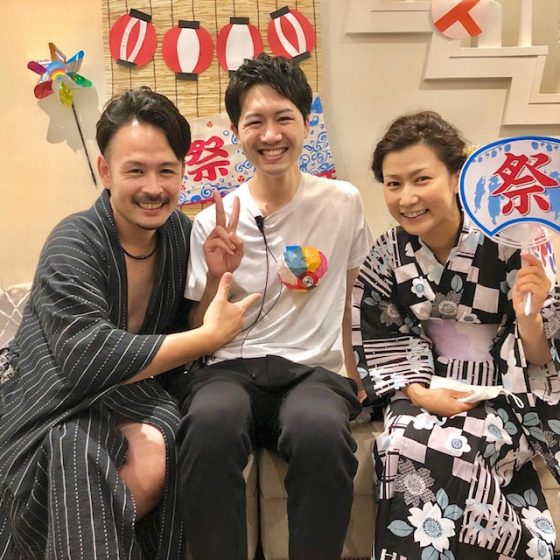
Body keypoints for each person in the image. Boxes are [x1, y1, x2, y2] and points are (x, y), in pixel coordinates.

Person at [0, 87, 259, 560]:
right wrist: (207, 337)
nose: (153, 188)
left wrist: (213, 280)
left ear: (183, 171)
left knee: (177, 434)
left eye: (167, 170)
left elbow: (188, 326)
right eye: (135, 170)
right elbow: (86, 357)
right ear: (105, 171)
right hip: (56, 401)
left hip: (136, 396)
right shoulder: (73, 241)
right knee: (73, 446)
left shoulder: (181, 235)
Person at [169, 53, 373, 560]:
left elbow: (353, 296)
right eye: (254, 121)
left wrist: (355, 371)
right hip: (230, 371)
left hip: (312, 373)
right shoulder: (212, 221)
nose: (270, 134)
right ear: (236, 132)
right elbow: (197, 325)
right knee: (209, 424)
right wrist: (216, 275)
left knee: (319, 431)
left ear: (305, 123)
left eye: (284, 118)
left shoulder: (343, 202)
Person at [348, 110, 560, 559]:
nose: (407, 198)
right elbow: (383, 337)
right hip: (423, 384)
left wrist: (528, 317)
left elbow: (542, 357)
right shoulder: (387, 253)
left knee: (456, 448)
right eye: (393, 184)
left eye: (421, 179)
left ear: (457, 175)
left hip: (506, 390)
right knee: (400, 443)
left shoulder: (510, 243)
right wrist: (422, 395)